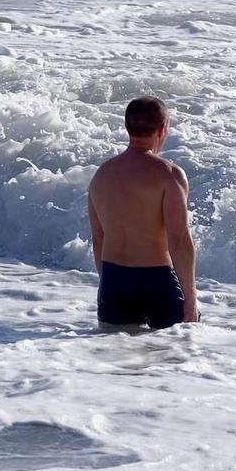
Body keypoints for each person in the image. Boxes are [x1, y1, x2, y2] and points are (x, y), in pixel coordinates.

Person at [86, 95, 199, 330]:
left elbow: (98, 239)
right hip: (156, 280)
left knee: (117, 358)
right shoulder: (169, 175)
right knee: (177, 358)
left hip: (113, 280)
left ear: (128, 127)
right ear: (162, 129)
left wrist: (106, 284)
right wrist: (191, 298)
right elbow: (178, 239)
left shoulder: (102, 175)